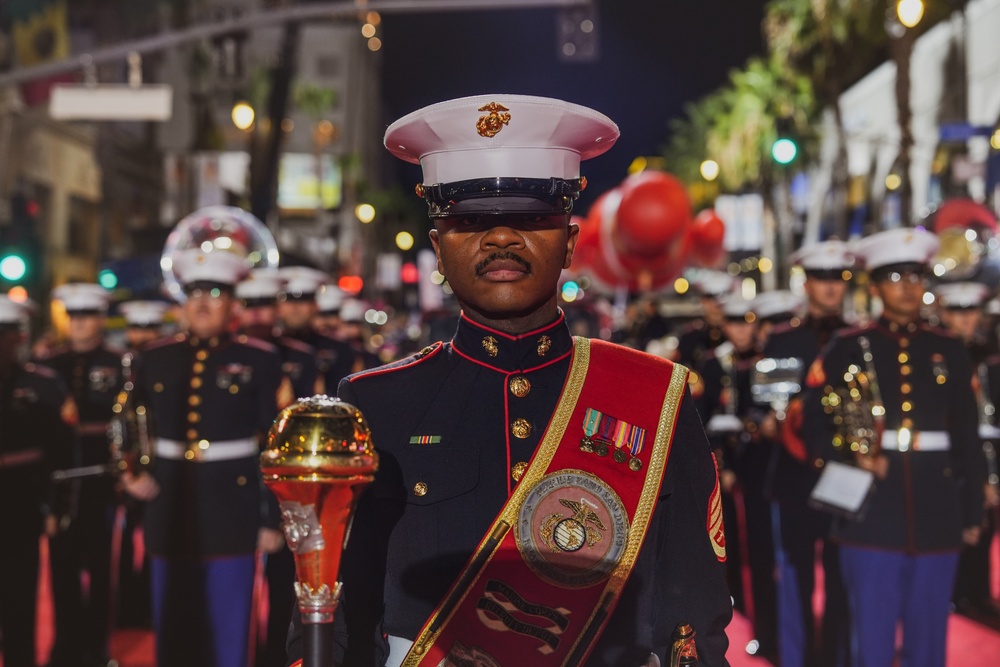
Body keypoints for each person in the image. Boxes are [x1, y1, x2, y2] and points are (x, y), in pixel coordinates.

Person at [284, 94, 732, 667]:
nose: (500, 239)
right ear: (438, 251)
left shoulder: (655, 396)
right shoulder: (374, 403)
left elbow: (692, 608)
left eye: (528, 217)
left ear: (570, 243)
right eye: (468, 220)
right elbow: (335, 609)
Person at [801, 228, 985, 667]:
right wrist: (850, 457)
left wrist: (973, 510)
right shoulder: (846, 347)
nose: (908, 287)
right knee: (873, 641)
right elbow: (813, 426)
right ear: (876, 286)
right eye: (896, 277)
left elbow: (967, 437)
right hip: (870, 514)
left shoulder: (949, 349)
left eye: (916, 277)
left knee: (928, 644)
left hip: (937, 509)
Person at [122, 248, 290, 667]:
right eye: (194, 292)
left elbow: (275, 441)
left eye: (214, 292)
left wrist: (271, 516)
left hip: (231, 508)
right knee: (172, 626)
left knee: (228, 627)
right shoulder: (155, 357)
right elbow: (126, 422)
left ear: (233, 303)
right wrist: (131, 469)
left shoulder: (259, 359)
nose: (202, 302)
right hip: (169, 504)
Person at [764, 241, 853, 667]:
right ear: (807, 282)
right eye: (822, 278)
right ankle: (796, 657)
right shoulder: (783, 340)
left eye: (838, 278)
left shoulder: (859, 340)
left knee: (844, 576)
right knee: (795, 574)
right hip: (795, 474)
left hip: (848, 476)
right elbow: (767, 408)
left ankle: (837, 656)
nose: (831, 287)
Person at [235, 268, 323, 667]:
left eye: (265, 306)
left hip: (287, 482)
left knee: (285, 587)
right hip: (233, 482)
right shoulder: (228, 355)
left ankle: (273, 657)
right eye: (249, 306)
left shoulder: (301, 359)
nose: (256, 315)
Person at [45, 282, 125, 667]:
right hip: (60, 480)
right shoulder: (47, 365)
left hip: (100, 479)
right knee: (61, 568)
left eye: (87, 316)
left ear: (100, 319)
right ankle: (66, 646)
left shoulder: (118, 362)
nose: (79, 324)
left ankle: (96, 649)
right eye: (73, 316)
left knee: (98, 568)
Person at [696, 293, 775, 662]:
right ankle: (736, 612)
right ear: (723, 326)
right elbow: (698, 419)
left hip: (762, 468)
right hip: (724, 470)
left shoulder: (768, 362)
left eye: (747, 322)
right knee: (729, 550)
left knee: (762, 551)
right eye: (734, 323)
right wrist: (720, 463)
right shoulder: (713, 365)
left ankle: (764, 623)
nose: (742, 330)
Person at [0, 296, 76, 667]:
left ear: (20, 337)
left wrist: (56, 506)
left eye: (5, 335)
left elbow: (61, 456)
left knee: (18, 603)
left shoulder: (43, 384)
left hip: (20, 503)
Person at [934, 281, 1000, 620]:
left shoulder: (988, 355)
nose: (965, 320)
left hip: (986, 448)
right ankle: (953, 590)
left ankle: (977, 591)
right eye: (957, 312)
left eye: (970, 311)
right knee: (954, 519)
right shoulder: (936, 355)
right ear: (944, 313)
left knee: (984, 523)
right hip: (949, 452)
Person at [114, 299, 171, 629]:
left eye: (149, 328)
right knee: (122, 542)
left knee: (155, 541)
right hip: (132, 462)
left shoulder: (165, 362)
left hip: (160, 463)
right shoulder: (123, 367)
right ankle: (128, 606)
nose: (143, 336)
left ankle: (150, 605)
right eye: (137, 329)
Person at [277, 266, 357, 391]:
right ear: (279, 307)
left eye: (303, 301)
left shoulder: (338, 348)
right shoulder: (270, 348)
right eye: (289, 301)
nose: (295, 308)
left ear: (315, 306)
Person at [674, 270, 734, 371]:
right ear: (702, 300)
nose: (715, 304)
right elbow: (681, 367)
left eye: (721, 299)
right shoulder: (691, 335)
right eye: (710, 298)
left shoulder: (736, 331)